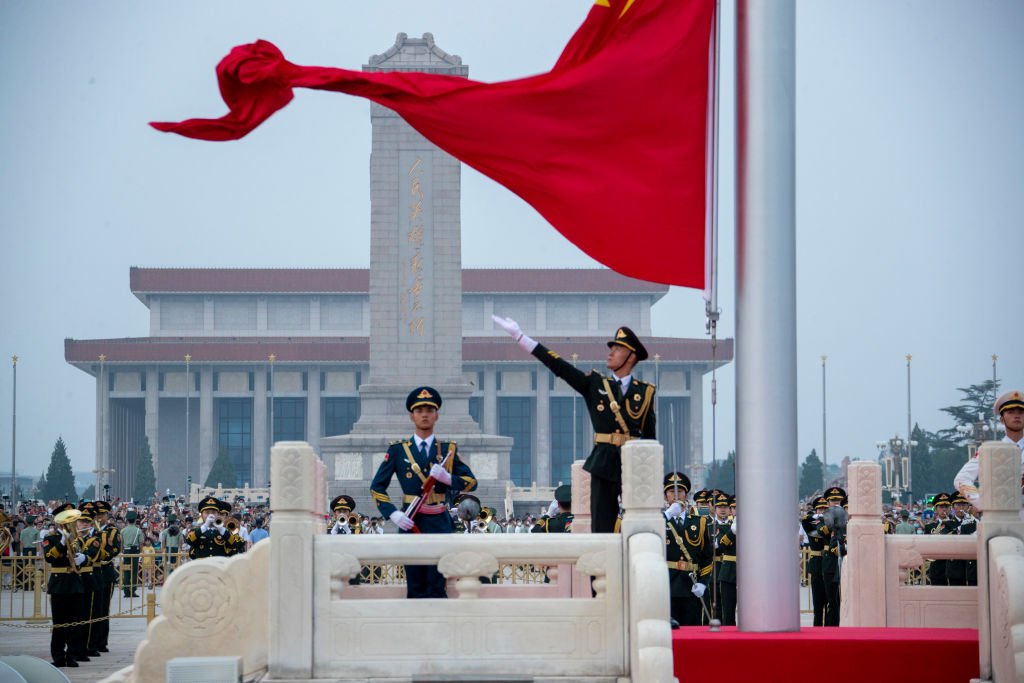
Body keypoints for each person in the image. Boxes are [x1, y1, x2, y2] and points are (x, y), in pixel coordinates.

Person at [492, 316, 656, 533]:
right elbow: (560, 367)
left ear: (631, 356)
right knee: (602, 528)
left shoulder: (644, 392)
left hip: (633, 464)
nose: (610, 352)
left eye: (617, 348)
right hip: (603, 464)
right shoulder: (597, 384)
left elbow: (650, 439)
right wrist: (521, 338)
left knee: (640, 526)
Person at [369, 386, 478, 598]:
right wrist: (393, 514)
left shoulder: (447, 450)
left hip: (439, 522)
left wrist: (449, 479)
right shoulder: (398, 450)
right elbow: (377, 487)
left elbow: (471, 483)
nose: (425, 414)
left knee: (438, 585)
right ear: (412, 415)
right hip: (412, 520)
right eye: (419, 410)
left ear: (437, 415)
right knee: (415, 585)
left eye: (429, 409)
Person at [954, 389, 1024, 508]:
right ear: (1002, 419)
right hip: (1003, 519)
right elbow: (961, 479)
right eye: (1011, 412)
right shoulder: (991, 451)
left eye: (1021, 412)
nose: (1016, 415)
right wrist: (983, 502)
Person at [41, 503, 88, 669]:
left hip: (74, 583)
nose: (72, 523)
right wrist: (62, 541)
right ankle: (58, 656)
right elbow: (49, 557)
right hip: (59, 584)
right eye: (67, 519)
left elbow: (79, 556)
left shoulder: (76, 539)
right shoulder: (51, 537)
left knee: (75, 622)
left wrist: (82, 559)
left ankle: (72, 655)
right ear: (60, 521)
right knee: (59, 623)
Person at [663, 472, 712, 626]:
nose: (676, 495)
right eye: (672, 492)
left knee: (693, 630)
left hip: (691, 585)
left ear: (686, 495)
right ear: (665, 496)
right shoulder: (658, 521)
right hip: (667, 585)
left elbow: (707, 556)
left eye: (680, 492)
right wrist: (667, 515)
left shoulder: (700, 522)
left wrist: (703, 582)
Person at [88, 499, 120, 654]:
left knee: (102, 609)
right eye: (97, 514)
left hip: (105, 571)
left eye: (102, 514)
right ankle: (89, 641)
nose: (100, 517)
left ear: (107, 515)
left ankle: (101, 642)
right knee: (89, 609)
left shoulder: (112, 531)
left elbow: (115, 549)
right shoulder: (90, 530)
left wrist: (100, 553)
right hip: (90, 570)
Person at [818, 486, 847, 626]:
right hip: (830, 563)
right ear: (828, 502)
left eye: (838, 500)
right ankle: (832, 628)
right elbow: (820, 532)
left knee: (846, 599)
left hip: (846, 561)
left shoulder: (848, 519)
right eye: (833, 501)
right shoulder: (823, 519)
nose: (835, 503)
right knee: (832, 600)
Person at [801, 496, 829, 626]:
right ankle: (817, 627)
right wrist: (815, 516)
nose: (822, 511)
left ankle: (829, 629)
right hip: (817, 565)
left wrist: (825, 518)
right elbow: (805, 520)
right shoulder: (811, 526)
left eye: (825, 509)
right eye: (820, 509)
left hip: (829, 564)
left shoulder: (831, 523)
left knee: (830, 602)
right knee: (818, 603)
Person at [711, 491, 737, 626]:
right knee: (728, 612)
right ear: (731, 510)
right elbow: (722, 544)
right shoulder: (724, 527)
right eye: (734, 507)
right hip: (729, 571)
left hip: (750, 572)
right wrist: (732, 532)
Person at [120, 510, 143, 597]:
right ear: (135, 520)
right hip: (135, 551)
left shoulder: (122, 531)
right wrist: (140, 553)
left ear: (127, 519)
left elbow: (121, 545)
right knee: (134, 571)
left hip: (126, 551)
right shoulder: (138, 531)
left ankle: (126, 591)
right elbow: (141, 544)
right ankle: (133, 590)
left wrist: (122, 552)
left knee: (126, 571)